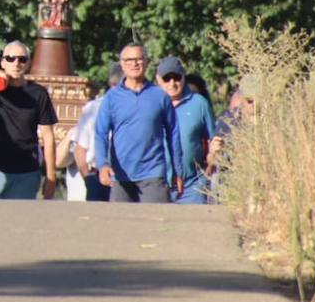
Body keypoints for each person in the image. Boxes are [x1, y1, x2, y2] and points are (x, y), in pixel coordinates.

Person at [94, 43, 183, 203]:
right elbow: (100, 133)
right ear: (122, 64)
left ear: (147, 62)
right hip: (121, 176)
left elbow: (173, 133)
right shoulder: (112, 98)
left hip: (153, 174)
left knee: (157, 223)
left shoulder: (160, 96)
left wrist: (178, 171)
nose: (134, 64)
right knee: (121, 225)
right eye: (129, 60)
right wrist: (103, 165)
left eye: (139, 59)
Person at [0, 41, 57, 199]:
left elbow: (48, 136)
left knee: (21, 221)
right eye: (10, 58)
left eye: (22, 59)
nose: (16, 63)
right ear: (2, 62)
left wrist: (51, 176)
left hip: (26, 171)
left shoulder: (38, 93)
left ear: (28, 63)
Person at [157, 56, 216, 205]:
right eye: (167, 78)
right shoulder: (150, 103)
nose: (172, 83)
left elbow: (212, 139)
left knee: (193, 227)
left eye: (176, 77)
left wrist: (211, 163)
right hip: (157, 184)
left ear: (183, 76)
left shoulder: (199, 103)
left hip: (192, 184)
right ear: (158, 79)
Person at [69, 63, 122, 202]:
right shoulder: (94, 108)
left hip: (128, 176)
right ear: (111, 83)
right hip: (98, 175)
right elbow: (80, 149)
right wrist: (88, 178)